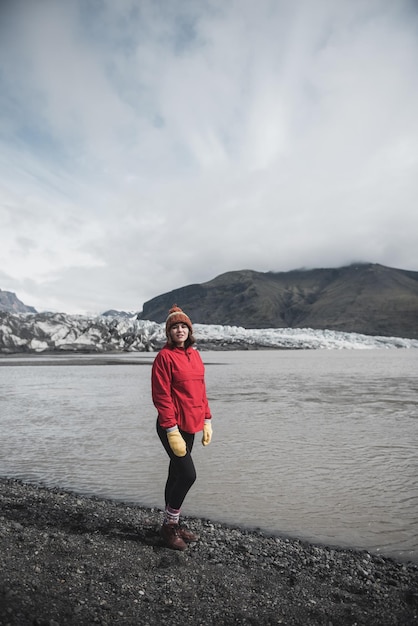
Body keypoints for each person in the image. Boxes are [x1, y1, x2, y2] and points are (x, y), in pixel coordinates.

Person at [151, 305, 213, 551]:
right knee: (188, 475)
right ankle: (169, 528)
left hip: (191, 425)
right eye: (175, 327)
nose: (179, 330)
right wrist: (170, 429)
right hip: (172, 426)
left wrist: (207, 420)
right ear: (169, 331)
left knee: (176, 474)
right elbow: (161, 396)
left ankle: (172, 523)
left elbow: (201, 391)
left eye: (183, 326)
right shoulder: (164, 357)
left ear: (189, 330)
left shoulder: (195, 356)